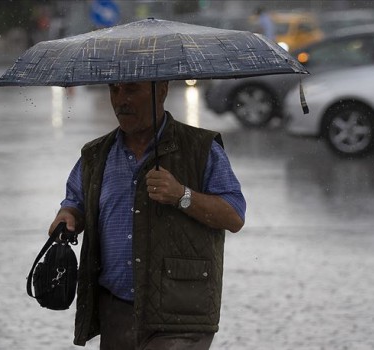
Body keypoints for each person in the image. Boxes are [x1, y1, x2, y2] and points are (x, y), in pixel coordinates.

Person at [48, 80, 246, 350]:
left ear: (161, 90)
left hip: (181, 311)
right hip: (116, 310)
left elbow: (234, 215)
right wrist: (68, 216)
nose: (121, 100)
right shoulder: (96, 155)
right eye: (114, 90)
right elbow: (75, 202)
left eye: (131, 89)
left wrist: (181, 195)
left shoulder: (201, 148)